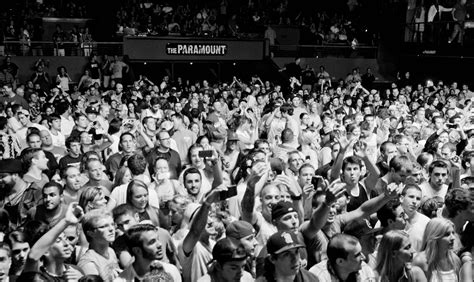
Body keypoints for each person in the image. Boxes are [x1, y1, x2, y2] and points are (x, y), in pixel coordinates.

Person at [116, 224, 181, 281]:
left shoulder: (171, 271)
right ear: (137, 250)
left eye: (158, 239)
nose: (159, 244)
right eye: (152, 242)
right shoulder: (122, 280)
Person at [309, 234, 376, 281]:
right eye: (357, 255)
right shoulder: (316, 277)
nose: (363, 257)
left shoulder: (365, 269)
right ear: (340, 261)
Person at [78, 209, 120, 281]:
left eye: (112, 224)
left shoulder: (111, 251)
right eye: (103, 226)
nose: (111, 229)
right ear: (90, 233)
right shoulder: (88, 263)